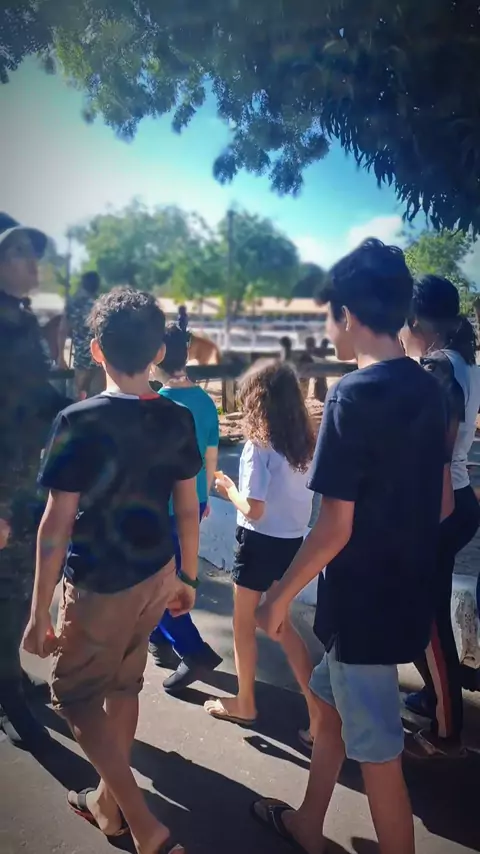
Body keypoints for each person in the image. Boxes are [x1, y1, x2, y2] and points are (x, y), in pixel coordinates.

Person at [252, 239, 450, 854]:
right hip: (406, 595)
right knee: (329, 708)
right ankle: (308, 824)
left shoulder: (351, 394)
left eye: (329, 315)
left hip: (362, 607)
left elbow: (334, 527)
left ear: (348, 314)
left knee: (380, 758)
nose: (327, 327)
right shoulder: (430, 389)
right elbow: (443, 503)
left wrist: (277, 597)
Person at [23, 287, 202, 854]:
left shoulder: (77, 419)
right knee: (124, 684)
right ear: (158, 352)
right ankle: (107, 804)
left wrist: (39, 611)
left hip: (101, 584)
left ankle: (145, 825)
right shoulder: (176, 416)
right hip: (158, 574)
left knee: (75, 696)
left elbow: (56, 523)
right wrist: (188, 577)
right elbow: (188, 507)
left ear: (96, 349)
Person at [205, 361, 318, 745]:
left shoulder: (259, 445)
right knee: (280, 625)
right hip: (292, 542)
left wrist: (227, 489)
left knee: (243, 625)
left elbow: (253, 509)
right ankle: (318, 714)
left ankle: (245, 703)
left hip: (258, 543)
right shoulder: (305, 442)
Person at [400, 275, 480, 757]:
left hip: (440, 505)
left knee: (428, 623)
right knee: (421, 614)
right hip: (457, 500)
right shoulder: (464, 362)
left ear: (415, 321)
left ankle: (447, 732)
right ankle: (435, 695)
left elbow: (437, 448)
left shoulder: (436, 367)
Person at [0, 212, 69, 750]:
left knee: (18, 590)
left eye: (34, 253)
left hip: (26, 482)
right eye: (20, 252)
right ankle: (7, 698)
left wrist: (82, 413)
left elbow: (38, 398)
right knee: (5, 596)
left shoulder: (21, 320)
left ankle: (10, 676)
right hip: (5, 490)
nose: (33, 263)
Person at [149, 323, 222, 692]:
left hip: (162, 504)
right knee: (175, 570)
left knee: (158, 580)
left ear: (156, 355)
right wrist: (204, 496)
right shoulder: (206, 402)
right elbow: (211, 455)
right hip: (195, 498)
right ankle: (158, 638)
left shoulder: (157, 404)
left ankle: (194, 651)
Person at [58, 270, 105, 399]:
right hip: (100, 360)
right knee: (99, 400)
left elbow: (62, 330)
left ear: (82, 284)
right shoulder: (102, 305)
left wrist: (60, 357)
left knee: (80, 399)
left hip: (81, 360)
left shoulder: (73, 304)